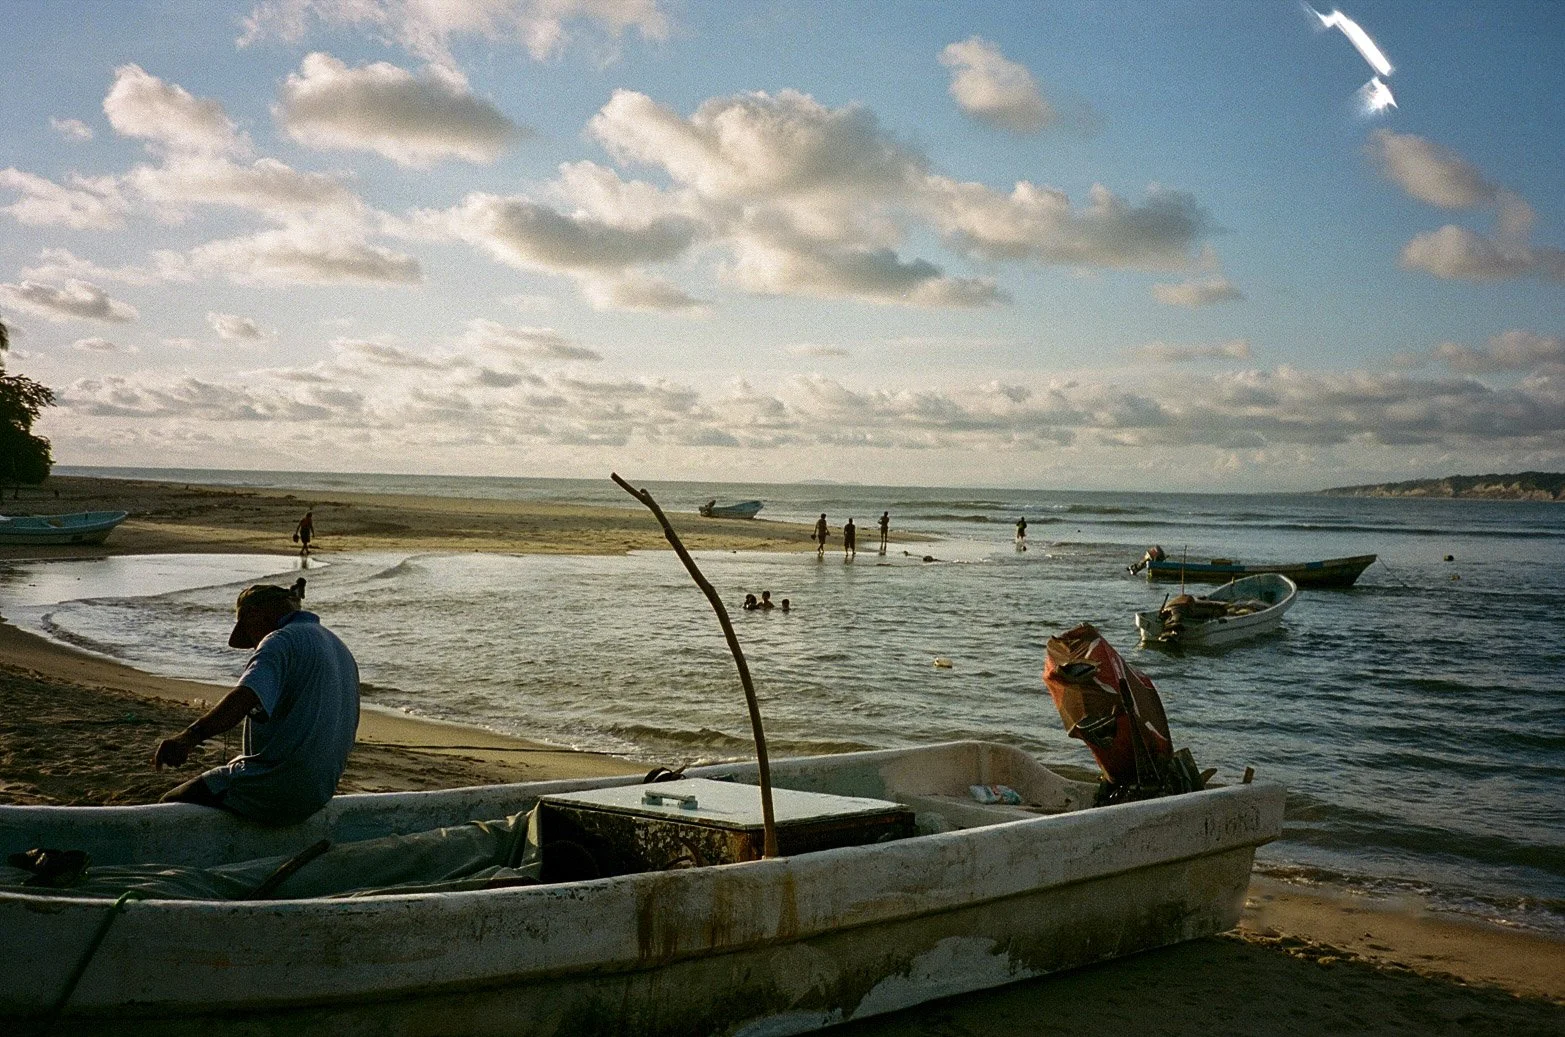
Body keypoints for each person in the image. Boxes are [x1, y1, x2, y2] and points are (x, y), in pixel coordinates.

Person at [153, 579, 360, 825]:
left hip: (273, 786)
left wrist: (188, 738)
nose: (254, 645)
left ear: (252, 615)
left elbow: (243, 698)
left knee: (169, 802)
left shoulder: (279, 641)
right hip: (319, 793)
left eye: (250, 636)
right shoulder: (340, 647)